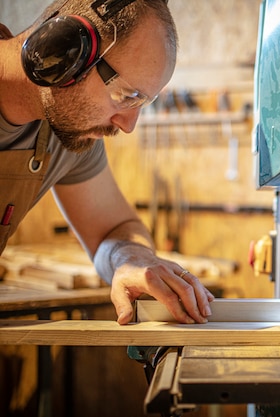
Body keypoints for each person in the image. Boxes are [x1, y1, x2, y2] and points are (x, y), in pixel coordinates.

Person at [0, 0, 214, 325]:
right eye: (126, 96)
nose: (128, 125)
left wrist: (130, 258)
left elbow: (112, 230)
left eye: (143, 103)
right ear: (62, 52)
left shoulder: (66, 131)